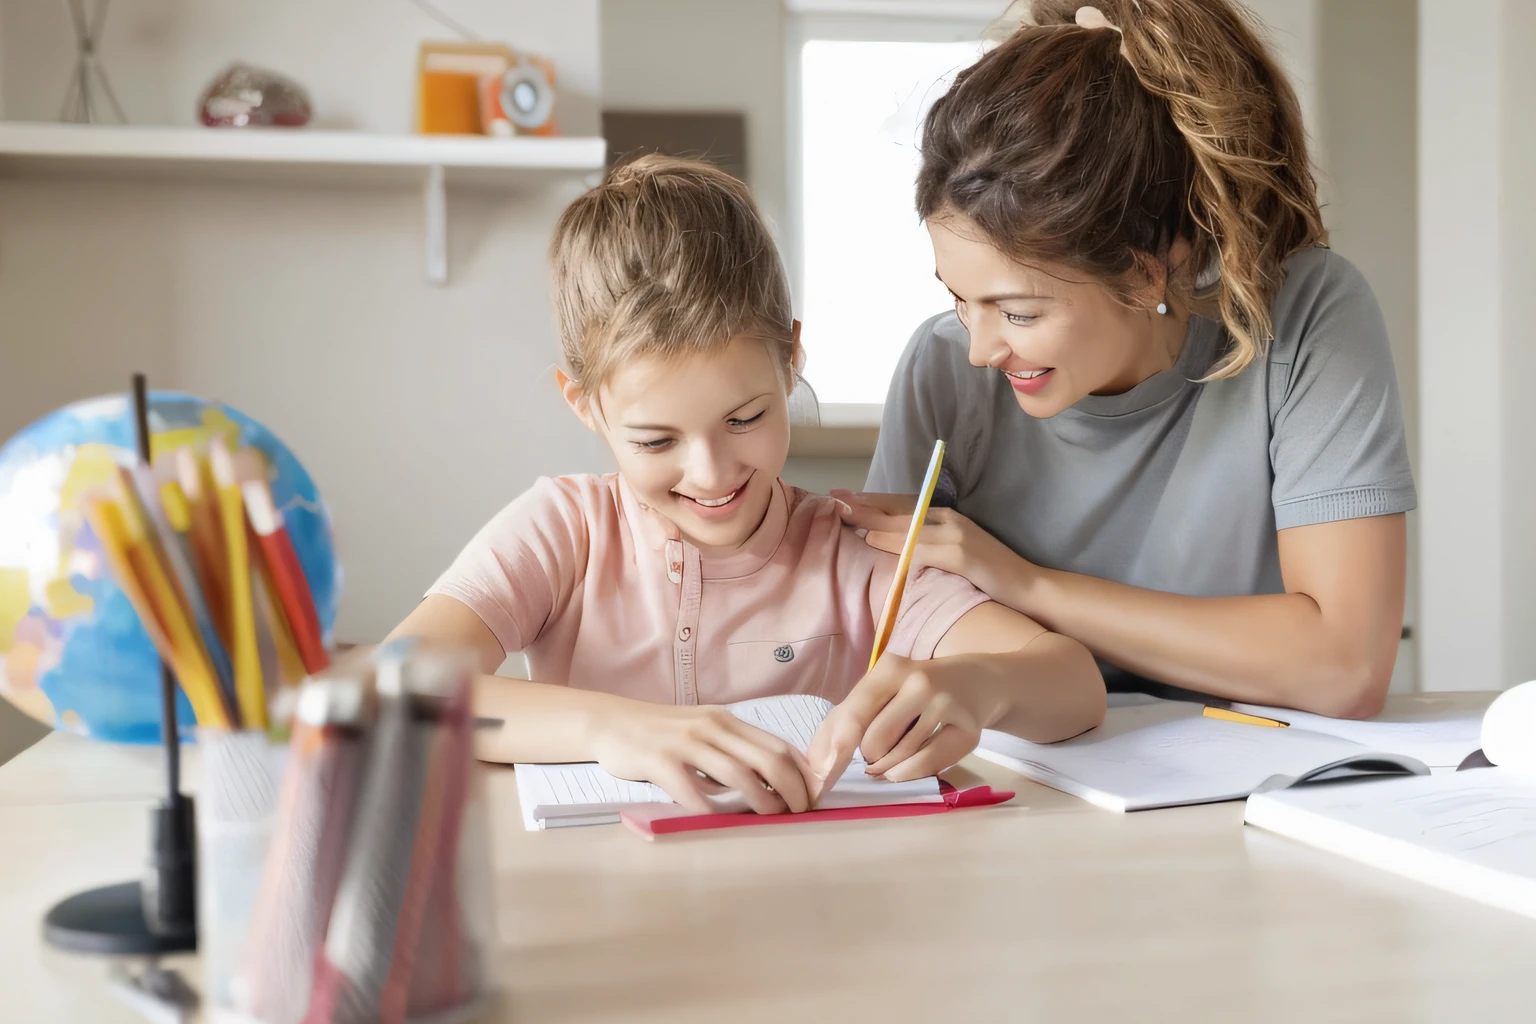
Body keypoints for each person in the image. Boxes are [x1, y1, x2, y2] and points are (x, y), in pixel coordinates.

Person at [388, 155, 1104, 816]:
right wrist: (612, 726)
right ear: (585, 406)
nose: (710, 472)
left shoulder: (850, 552)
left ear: (791, 358)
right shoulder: (564, 531)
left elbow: (1073, 682)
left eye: (744, 418)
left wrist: (976, 687)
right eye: (656, 440)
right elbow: (398, 692)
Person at [838, 0, 1414, 720]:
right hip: (1026, 780)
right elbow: (897, 633)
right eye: (959, 299)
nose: (982, 349)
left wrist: (1025, 583)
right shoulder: (943, 365)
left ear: (1147, 274)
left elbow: (1345, 667)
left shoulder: (1303, 317)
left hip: (1249, 781)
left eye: (1019, 312)